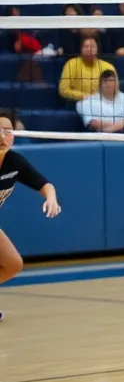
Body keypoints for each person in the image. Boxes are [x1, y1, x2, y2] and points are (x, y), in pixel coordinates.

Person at [0, 111, 61, 319]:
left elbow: (44, 183)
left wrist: (51, 198)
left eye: (7, 131)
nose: (2, 137)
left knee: (13, 264)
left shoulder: (14, 162)